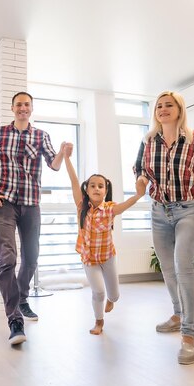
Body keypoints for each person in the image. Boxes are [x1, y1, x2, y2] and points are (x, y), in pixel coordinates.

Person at [134, 91, 194, 364]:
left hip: (188, 210)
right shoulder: (148, 141)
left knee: (183, 267)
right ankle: (178, 314)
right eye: (159, 106)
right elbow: (140, 170)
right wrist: (140, 180)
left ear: (179, 109)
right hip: (158, 212)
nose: (163, 109)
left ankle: (189, 334)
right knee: (166, 267)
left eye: (169, 105)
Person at [0, 91, 68, 345]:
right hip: (4, 203)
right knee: (7, 259)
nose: (22, 108)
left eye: (27, 104)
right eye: (19, 104)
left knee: (31, 258)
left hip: (31, 205)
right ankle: (15, 319)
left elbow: (54, 164)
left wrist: (62, 151)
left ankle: (22, 296)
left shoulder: (41, 136)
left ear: (31, 108)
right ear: (12, 108)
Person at [64, 144, 146, 335]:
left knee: (114, 295)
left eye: (100, 186)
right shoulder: (80, 206)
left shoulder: (110, 209)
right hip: (89, 259)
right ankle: (99, 322)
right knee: (98, 292)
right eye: (92, 185)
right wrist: (67, 158)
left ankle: (112, 299)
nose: (96, 188)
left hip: (108, 257)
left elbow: (126, 204)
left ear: (105, 189)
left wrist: (139, 195)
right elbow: (74, 182)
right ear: (87, 189)